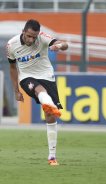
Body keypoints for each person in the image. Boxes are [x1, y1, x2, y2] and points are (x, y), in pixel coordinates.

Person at [6, 19, 68, 166]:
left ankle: (52, 157)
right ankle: (47, 102)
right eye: (29, 36)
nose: (31, 39)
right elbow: (13, 68)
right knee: (39, 89)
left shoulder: (42, 38)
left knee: (50, 116)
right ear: (23, 32)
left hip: (47, 76)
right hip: (26, 77)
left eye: (34, 37)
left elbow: (65, 44)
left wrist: (58, 46)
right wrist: (16, 90)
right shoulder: (11, 45)